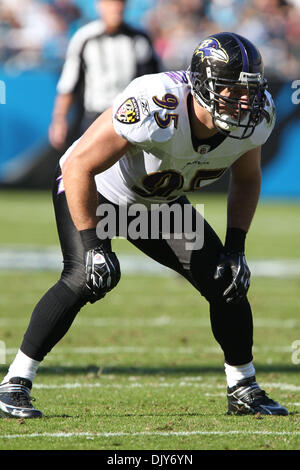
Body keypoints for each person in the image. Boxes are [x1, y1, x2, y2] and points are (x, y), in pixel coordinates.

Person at [0, 32, 288, 418]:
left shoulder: (256, 118)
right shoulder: (157, 102)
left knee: (226, 277)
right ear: (203, 85)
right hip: (96, 189)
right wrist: (93, 245)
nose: (244, 101)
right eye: (232, 90)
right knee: (85, 276)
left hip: (158, 203)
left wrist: (236, 247)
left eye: (249, 91)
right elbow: (77, 166)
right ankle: (14, 382)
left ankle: (243, 386)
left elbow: (249, 178)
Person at [48, 0, 159, 150]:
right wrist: (59, 120)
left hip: (131, 115)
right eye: (111, 3)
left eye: (120, 3)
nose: (116, 7)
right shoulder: (84, 38)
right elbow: (68, 84)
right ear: (99, 5)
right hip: (96, 117)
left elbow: (152, 80)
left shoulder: (139, 38)